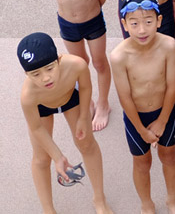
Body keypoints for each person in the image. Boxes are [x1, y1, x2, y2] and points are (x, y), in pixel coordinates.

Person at [18, 32, 112, 214]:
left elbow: (85, 87)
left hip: (70, 97)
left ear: (59, 60)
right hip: (41, 107)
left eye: (49, 69)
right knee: (42, 158)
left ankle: (99, 199)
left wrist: (83, 117)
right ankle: (48, 210)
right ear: (26, 74)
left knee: (86, 144)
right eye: (35, 74)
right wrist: (58, 157)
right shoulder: (28, 96)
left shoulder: (76, 65)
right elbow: (36, 128)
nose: (45, 78)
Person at [109, 0, 175, 214]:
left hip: (164, 112)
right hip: (136, 118)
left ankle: (172, 201)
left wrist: (163, 121)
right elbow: (124, 97)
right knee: (142, 162)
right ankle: (146, 203)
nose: (142, 30)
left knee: (169, 156)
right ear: (124, 24)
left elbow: (172, 86)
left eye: (148, 22)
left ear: (159, 21)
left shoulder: (168, 46)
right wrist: (141, 130)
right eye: (134, 23)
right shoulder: (119, 56)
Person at [42, 0, 111, 131]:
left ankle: (103, 104)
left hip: (93, 22)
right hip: (67, 24)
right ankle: (87, 101)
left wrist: (88, 11)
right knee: (79, 64)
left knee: (99, 63)